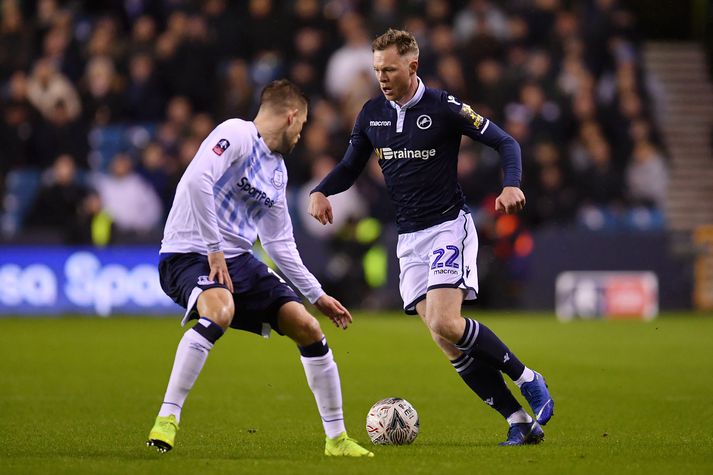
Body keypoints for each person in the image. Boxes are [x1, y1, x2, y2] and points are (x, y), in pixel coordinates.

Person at [309, 29, 554, 446]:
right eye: (376, 70)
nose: (382, 77)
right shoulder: (371, 114)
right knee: (446, 340)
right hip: (409, 239)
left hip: (447, 226)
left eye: (389, 69)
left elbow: (505, 141)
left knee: (445, 320)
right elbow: (350, 166)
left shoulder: (443, 107)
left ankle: (528, 378)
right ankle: (518, 420)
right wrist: (321, 190)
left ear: (412, 66)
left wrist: (510, 184)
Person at [147, 79, 373, 458]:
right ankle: (167, 418)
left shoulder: (278, 172)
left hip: (237, 261)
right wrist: (215, 249)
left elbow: (279, 243)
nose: (301, 135)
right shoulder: (236, 134)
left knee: (307, 327)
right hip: (187, 253)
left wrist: (317, 295)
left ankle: (336, 440)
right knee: (220, 309)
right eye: (301, 127)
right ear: (291, 116)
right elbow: (195, 182)